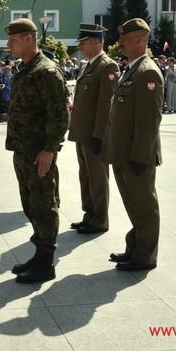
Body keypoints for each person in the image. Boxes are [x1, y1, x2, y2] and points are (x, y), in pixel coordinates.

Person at [4, 18, 69, 283]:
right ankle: (39, 255)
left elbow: (60, 116)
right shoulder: (25, 69)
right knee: (31, 205)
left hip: (39, 152)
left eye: (13, 40)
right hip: (23, 150)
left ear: (29, 38)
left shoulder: (47, 71)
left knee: (44, 205)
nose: (9, 44)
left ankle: (45, 263)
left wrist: (50, 150)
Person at [104, 18, 162, 271]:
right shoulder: (132, 69)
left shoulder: (147, 72)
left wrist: (140, 155)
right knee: (133, 204)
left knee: (144, 206)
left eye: (125, 39)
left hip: (137, 155)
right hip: (123, 152)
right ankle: (135, 248)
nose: (120, 43)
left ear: (139, 40)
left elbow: (149, 120)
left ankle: (145, 256)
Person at [67, 23, 118, 235]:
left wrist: (99, 135)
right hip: (82, 133)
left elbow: (106, 105)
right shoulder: (88, 65)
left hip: (94, 135)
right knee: (86, 176)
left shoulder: (107, 66)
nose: (80, 47)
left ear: (97, 42)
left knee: (97, 178)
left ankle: (100, 219)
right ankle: (89, 214)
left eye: (84, 43)